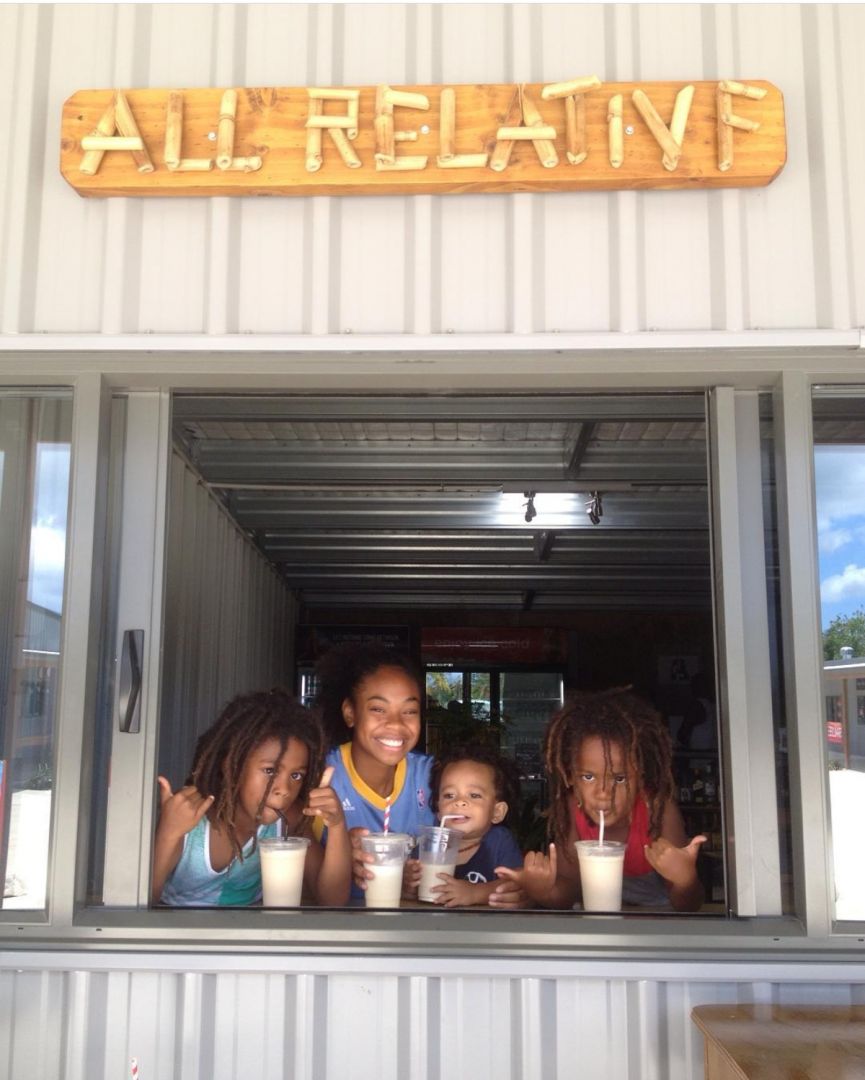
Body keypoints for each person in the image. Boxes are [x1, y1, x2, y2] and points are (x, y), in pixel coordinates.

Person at [496, 687, 706, 912]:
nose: (604, 792)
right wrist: (542, 891)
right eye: (588, 777)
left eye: (620, 778)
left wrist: (686, 879)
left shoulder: (657, 809)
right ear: (571, 777)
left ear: (640, 777)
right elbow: (570, 893)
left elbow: (689, 905)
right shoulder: (571, 808)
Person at [152, 688, 351, 907]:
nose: (284, 788)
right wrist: (168, 832)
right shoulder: (189, 818)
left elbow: (333, 900)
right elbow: (143, 900)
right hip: (180, 935)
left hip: (253, 936)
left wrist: (337, 825)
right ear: (231, 764)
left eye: (296, 775)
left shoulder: (289, 819)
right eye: (270, 770)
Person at [313, 644, 436, 899]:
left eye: (409, 711)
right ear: (350, 713)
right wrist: (340, 851)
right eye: (378, 709)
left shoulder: (432, 777)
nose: (395, 723)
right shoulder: (321, 778)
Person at [422, 743, 525, 908]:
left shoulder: (499, 842)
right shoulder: (430, 843)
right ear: (438, 810)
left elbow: (517, 886)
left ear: (497, 812)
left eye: (474, 795)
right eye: (449, 795)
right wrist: (408, 883)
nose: (460, 802)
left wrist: (474, 893)